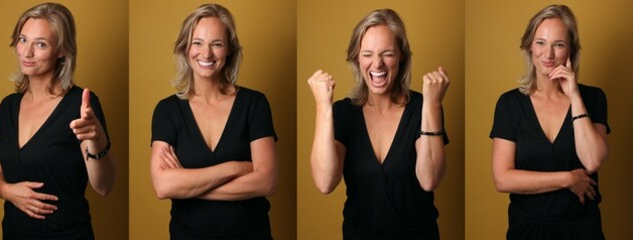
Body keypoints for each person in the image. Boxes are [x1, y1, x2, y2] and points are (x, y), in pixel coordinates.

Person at [307, 8, 450, 239]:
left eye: (387, 53)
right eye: (367, 54)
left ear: (401, 56)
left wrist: (432, 106)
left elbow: (429, 179)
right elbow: (325, 183)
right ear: (356, 57)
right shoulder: (343, 113)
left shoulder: (423, 107)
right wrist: (323, 107)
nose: (377, 64)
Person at [0, 3, 115, 239]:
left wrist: (97, 139)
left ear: (62, 50)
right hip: (14, 232)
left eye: (40, 44)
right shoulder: (9, 106)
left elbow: (103, 187)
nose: (27, 52)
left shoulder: (80, 105)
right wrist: (8, 191)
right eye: (23, 40)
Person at [149, 4, 278, 239]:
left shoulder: (254, 104)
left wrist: (188, 186)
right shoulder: (167, 111)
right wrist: (235, 168)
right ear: (185, 48)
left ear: (229, 49)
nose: (206, 54)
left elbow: (267, 182)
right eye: (197, 42)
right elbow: (163, 186)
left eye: (216, 44)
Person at [490, 5, 608, 240]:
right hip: (527, 229)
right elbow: (503, 179)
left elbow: (593, 161)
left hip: (582, 229)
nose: (548, 54)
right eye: (541, 43)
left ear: (570, 51)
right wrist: (568, 179)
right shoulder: (509, 104)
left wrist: (574, 96)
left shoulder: (593, 98)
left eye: (559, 44)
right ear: (529, 46)